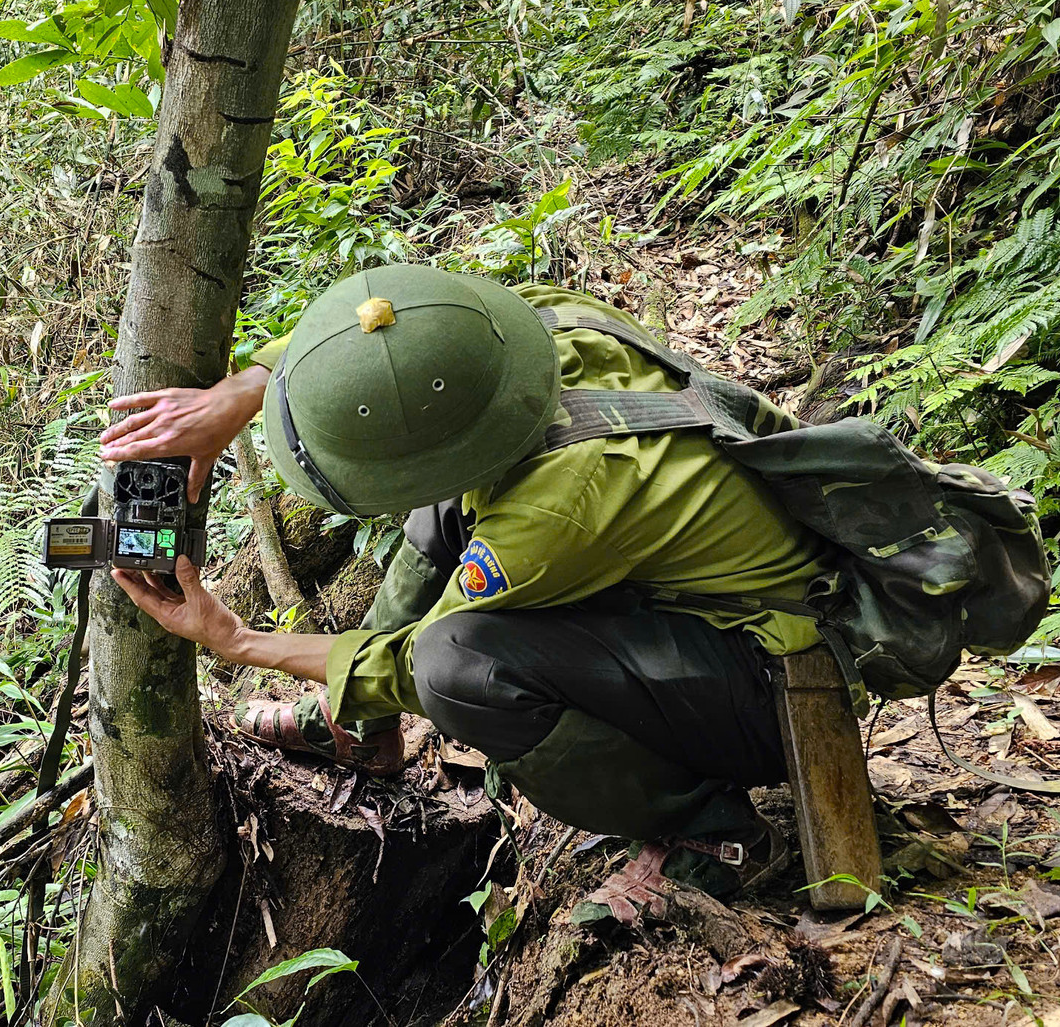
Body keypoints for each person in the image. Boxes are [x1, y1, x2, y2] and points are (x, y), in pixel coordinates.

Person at [98, 264, 829, 919]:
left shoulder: (552, 513)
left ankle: (715, 833)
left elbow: (417, 661)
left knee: (461, 669)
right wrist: (242, 390)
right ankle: (358, 724)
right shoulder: (532, 328)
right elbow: (397, 328)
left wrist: (240, 640)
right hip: (694, 603)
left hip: (780, 682)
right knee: (445, 496)